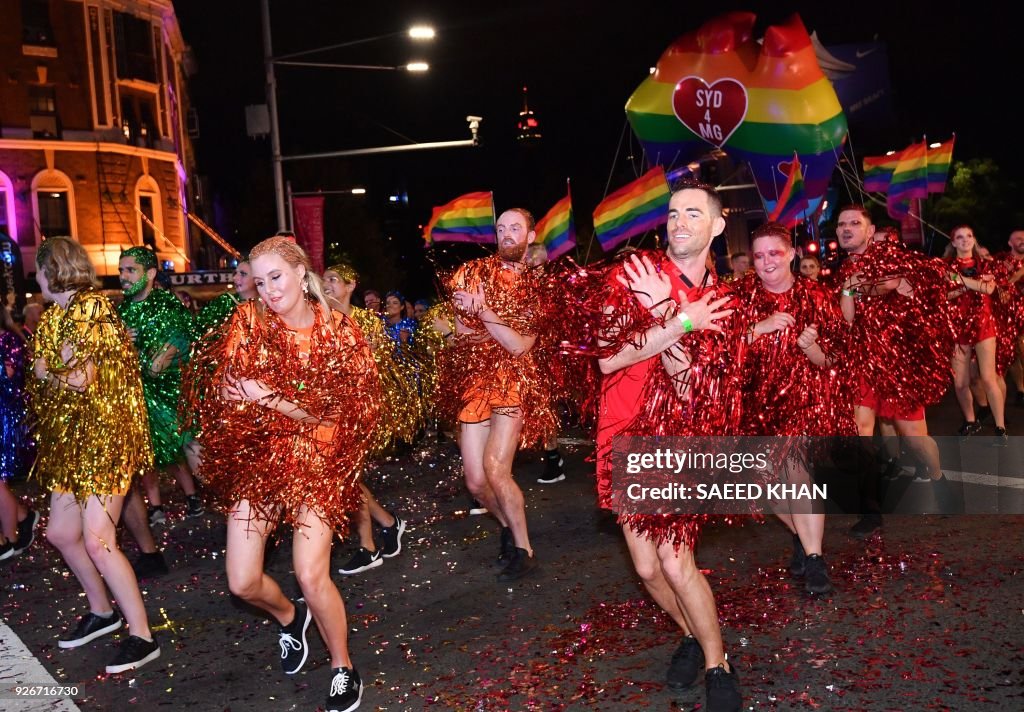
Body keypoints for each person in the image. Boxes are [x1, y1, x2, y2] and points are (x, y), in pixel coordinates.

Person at [182, 236, 380, 711]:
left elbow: (337, 416)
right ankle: (292, 620)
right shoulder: (247, 322)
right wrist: (252, 397)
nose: (268, 289)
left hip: (321, 458)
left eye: (277, 277)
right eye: (259, 279)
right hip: (262, 456)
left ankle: (341, 666)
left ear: (298, 272)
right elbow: (229, 395)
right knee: (242, 582)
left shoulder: (338, 330)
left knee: (311, 575)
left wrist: (265, 395)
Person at [591, 182, 741, 710]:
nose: (679, 222)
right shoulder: (631, 276)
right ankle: (691, 635)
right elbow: (609, 359)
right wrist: (678, 319)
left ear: (716, 227)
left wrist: (668, 313)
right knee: (648, 569)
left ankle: (719, 664)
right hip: (621, 431)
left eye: (693, 213)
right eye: (674, 213)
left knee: (677, 564)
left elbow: (694, 387)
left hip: (679, 440)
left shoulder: (722, 302)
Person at [28, 236, 160, 673]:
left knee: (98, 541)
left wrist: (50, 370)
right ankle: (103, 612)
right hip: (71, 443)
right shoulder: (55, 318)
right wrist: (50, 370)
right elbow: (45, 372)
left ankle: (143, 635)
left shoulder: (91, 309)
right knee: (62, 534)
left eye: (40, 270)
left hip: (106, 439)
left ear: (53, 270)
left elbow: (81, 379)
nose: (36, 278)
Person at [439, 207, 557, 581]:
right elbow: (463, 336)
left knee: (496, 468)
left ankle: (524, 549)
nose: (507, 233)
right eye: (501, 227)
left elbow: (520, 346)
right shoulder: (471, 274)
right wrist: (471, 323)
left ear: (530, 236)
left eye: (515, 228)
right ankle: (509, 523)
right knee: (475, 481)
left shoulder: (540, 288)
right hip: (476, 381)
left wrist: (486, 312)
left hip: (515, 379)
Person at [738, 222, 854, 595]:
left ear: (790, 254)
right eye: (759, 255)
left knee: (796, 471)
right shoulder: (740, 298)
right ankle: (802, 539)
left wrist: (811, 348)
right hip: (754, 404)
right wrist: (760, 327)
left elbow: (830, 360)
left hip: (804, 401)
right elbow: (720, 348)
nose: (767, 261)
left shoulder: (817, 296)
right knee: (764, 486)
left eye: (775, 252)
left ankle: (816, 560)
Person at [836, 205, 957, 534]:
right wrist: (849, 287)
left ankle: (938, 480)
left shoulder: (890, 254)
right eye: (841, 224)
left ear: (870, 230)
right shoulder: (842, 270)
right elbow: (847, 320)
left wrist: (860, 286)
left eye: (854, 223)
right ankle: (871, 509)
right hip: (861, 360)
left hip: (898, 363)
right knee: (860, 430)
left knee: (916, 439)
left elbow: (890, 285)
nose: (846, 229)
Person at [322, 264, 409, 576]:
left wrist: (369, 356)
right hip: (331, 411)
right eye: (324, 281)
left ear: (350, 285)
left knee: (346, 476)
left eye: (333, 280)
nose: (327, 285)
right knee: (347, 477)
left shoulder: (365, 321)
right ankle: (388, 523)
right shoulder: (321, 321)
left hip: (358, 411)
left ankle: (368, 546)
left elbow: (382, 365)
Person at [116, 247, 203, 543]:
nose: (124, 277)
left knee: (190, 453)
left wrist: (129, 351)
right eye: (122, 270)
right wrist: (117, 345)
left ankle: (238, 505)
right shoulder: (121, 311)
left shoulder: (166, 306)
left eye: (131, 270)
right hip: (135, 401)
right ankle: (152, 512)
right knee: (141, 463)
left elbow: (157, 367)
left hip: (170, 401)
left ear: (150, 274)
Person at [943, 225, 1007, 442]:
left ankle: (1000, 427)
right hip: (957, 328)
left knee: (989, 378)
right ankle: (970, 421)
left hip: (983, 325)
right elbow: (944, 296)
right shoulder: (945, 267)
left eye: (969, 236)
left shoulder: (986, 264)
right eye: (959, 237)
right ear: (953, 243)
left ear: (974, 239)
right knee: (960, 382)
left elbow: (988, 289)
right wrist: (970, 284)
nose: (964, 240)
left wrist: (959, 280)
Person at [524, 241, 567, 484]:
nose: (534, 270)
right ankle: (552, 454)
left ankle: (553, 460)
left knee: (545, 408)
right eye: (530, 265)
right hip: (526, 356)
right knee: (535, 409)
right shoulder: (520, 291)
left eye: (539, 265)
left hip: (548, 359)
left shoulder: (553, 290)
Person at [1, 306, 38, 560]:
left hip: (5, 416)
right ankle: (23, 517)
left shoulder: (8, 339)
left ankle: (11, 539)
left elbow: (8, 373)